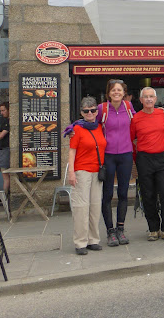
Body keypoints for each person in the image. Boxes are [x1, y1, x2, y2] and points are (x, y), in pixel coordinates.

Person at [130, 87, 164, 242]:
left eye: (151, 96)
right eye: (146, 97)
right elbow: (131, 139)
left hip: (161, 158)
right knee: (148, 195)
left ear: (156, 99)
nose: (149, 99)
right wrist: (137, 159)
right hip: (144, 159)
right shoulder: (136, 118)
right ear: (141, 100)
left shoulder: (162, 114)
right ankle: (153, 229)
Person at [97, 79, 135, 247]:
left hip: (126, 154)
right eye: (113, 90)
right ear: (109, 93)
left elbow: (140, 120)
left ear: (124, 92)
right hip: (108, 155)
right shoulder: (102, 108)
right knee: (107, 194)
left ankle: (120, 228)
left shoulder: (128, 106)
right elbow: (91, 123)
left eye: (119, 90)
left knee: (123, 193)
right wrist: (74, 129)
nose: (116, 93)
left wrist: (161, 111)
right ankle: (110, 231)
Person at [68, 96, 107, 255]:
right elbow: (72, 151)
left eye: (93, 110)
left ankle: (93, 239)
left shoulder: (100, 127)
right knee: (81, 207)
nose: (90, 113)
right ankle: (80, 242)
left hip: (97, 171)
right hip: (82, 171)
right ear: (81, 112)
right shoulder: (77, 129)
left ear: (97, 111)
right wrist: (71, 172)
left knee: (95, 206)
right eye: (86, 111)